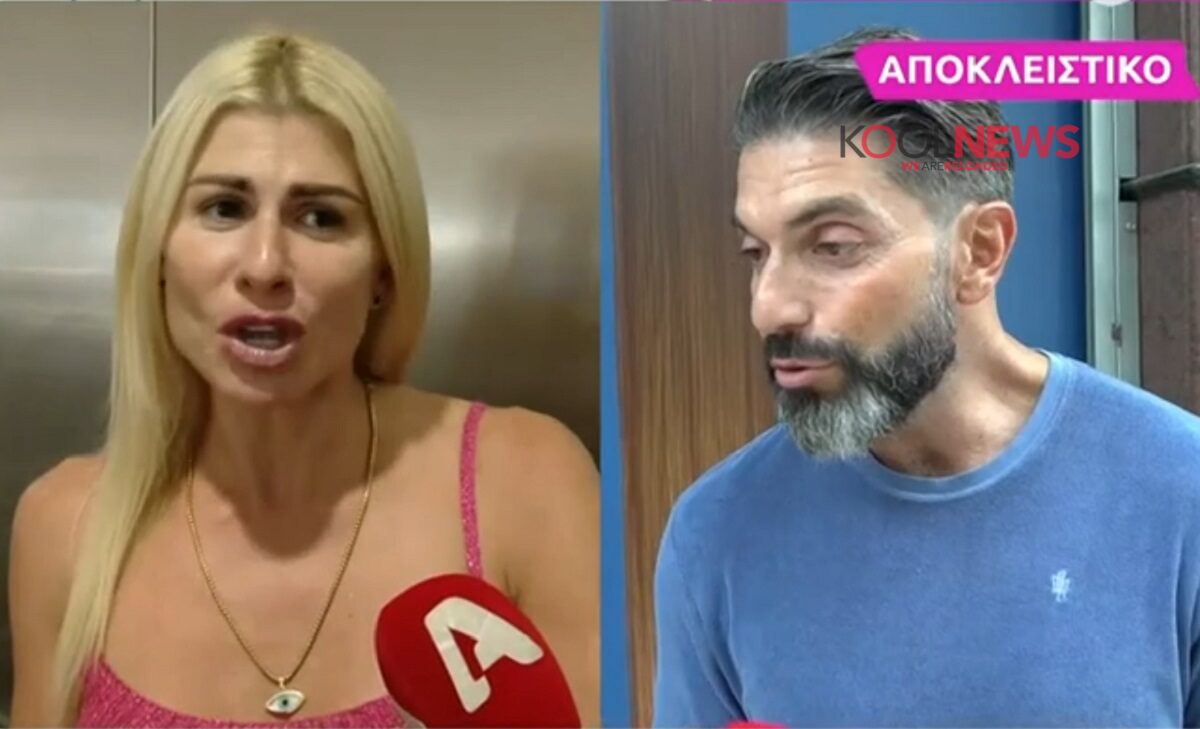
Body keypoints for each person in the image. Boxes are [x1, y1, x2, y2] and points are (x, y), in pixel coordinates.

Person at [7, 31, 599, 728]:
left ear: (383, 272)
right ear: (158, 251)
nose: (265, 265)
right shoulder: (65, 528)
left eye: (321, 217)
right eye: (224, 209)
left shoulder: (523, 484)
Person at [652, 26, 1200, 728]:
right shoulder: (715, 534)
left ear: (978, 250)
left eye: (833, 246)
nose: (769, 307)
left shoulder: (1179, 494)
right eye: (756, 252)